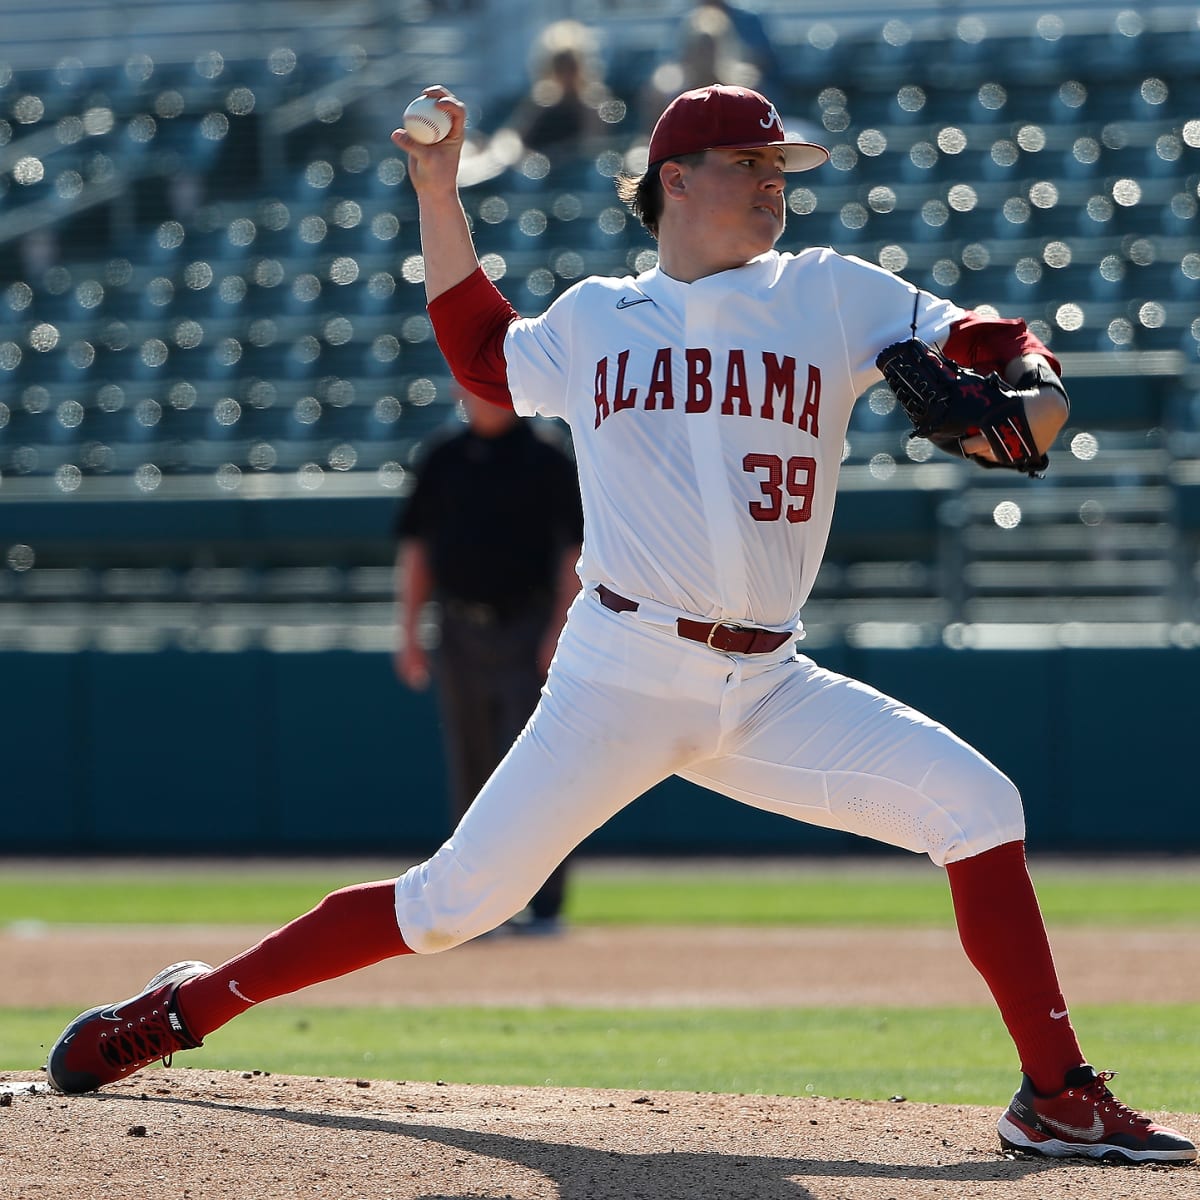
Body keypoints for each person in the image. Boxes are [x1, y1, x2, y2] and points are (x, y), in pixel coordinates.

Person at [45, 81, 1195, 1168]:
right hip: (622, 672)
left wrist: (1037, 396)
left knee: (979, 804)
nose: (772, 181)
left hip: (769, 685)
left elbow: (999, 355)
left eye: (780, 165)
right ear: (674, 178)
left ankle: (1056, 1098)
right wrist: (438, 194)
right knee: (449, 908)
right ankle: (184, 1008)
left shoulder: (834, 290)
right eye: (748, 162)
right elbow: (482, 354)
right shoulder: (599, 318)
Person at [394, 383, 583, 931]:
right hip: (457, 628)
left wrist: (558, 630)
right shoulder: (443, 457)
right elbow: (417, 551)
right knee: (470, 768)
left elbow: (574, 550)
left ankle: (544, 905)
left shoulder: (546, 455)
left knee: (536, 768)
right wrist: (408, 631)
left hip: (528, 627)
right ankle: (475, 906)